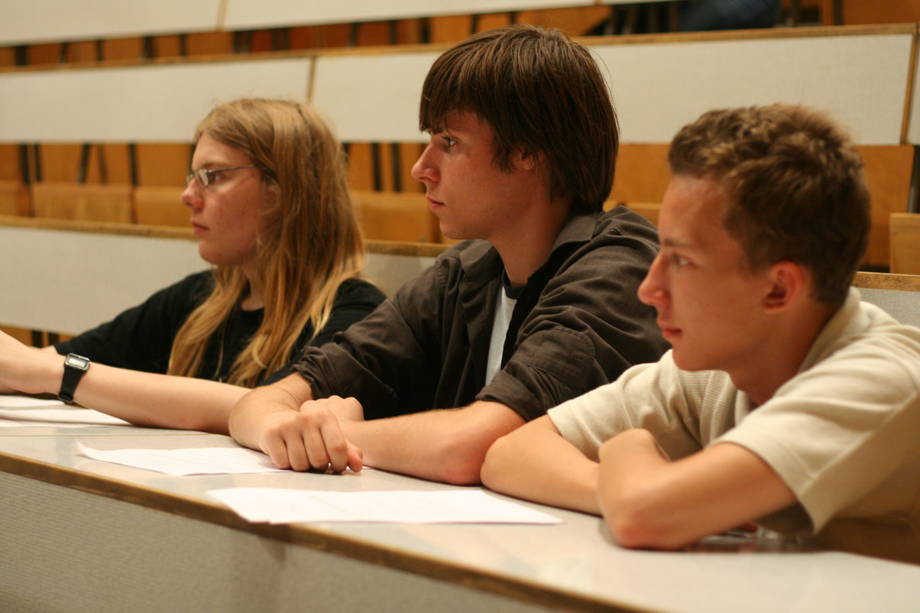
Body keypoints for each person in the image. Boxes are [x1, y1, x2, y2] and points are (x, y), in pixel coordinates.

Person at [481, 103, 920, 564]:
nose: (649, 289)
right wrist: (627, 488)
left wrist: (630, 449)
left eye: (682, 260)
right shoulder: (722, 366)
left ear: (778, 289)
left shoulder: (880, 381)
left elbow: (642, 516)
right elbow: (510, 454)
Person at [229, 25, 668, 484]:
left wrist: (340, 434)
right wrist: (284, 427)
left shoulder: (620, 271)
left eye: (450, 143)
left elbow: (469, 448)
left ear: (529, 151)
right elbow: (260, 403)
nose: (421, 168)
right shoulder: (464, 271)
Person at [0, 98, 384, 433]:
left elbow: (263, 410)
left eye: (211, 177)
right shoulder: (200, 299)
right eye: (192, 176)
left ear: (283, 190)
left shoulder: (358, 317)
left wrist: (57, 373)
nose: (187, 195)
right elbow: (38, 366)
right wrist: (30, 368)